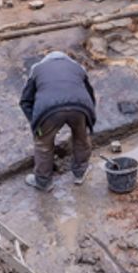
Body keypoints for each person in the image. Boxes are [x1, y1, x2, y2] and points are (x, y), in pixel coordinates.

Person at [19, 50, 96, 191]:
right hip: (79, 107)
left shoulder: (37, 69)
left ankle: (43, 182)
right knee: (81, 139)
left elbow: (25, 101)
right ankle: (80, 173)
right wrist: (88, 118)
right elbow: (90, 95)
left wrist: (37, 124)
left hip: (49, 110)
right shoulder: (77, 67)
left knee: (43, 145)